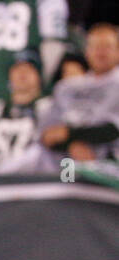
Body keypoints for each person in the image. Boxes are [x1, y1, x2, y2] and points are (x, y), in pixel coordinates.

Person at [40, 22, 119, 163]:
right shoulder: (67, 87)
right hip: (66, 166)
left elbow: (113, 131)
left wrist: (69, 134)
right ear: (86, 51)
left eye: (107, 47)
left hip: (110, 168)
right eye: (96, 47)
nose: (101, 52)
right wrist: (71, 144)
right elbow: (47, 135)